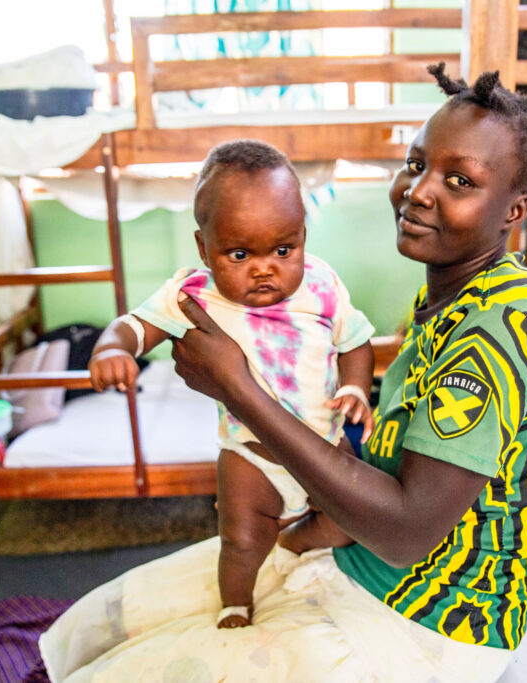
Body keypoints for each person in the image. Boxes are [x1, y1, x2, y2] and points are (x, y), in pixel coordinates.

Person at [41, 65, 527, 683]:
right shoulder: (452, 296)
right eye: (415, 165)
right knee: (102, 623)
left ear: (515, 209)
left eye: (458, 180)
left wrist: (239, 391)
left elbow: (408, 532)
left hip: (431, 618)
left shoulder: (502, 326)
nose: (419, 191)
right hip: (358, 548)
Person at [86, 139, 376, 629]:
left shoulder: (322, 285)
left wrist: (356, 388)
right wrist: (112, 349)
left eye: (285, 249)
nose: (264, 268)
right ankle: (236, 603)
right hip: (250, 456)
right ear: (205, 248)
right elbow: (135, 326)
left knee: (352, 520)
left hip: (323, 447)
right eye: (239, 253)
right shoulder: (191, 294)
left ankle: (297, 539)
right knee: (241, 540)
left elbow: (357, 342)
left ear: (303, 234)